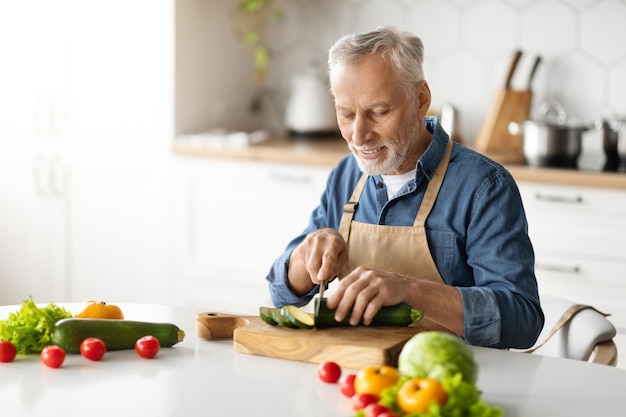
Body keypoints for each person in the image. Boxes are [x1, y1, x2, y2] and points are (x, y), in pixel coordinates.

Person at [265, 26, 543, 349]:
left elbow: (522, 321)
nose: (358, 136)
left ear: (421, 99)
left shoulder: (484, 187)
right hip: (357, 379)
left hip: (451, 384)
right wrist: (306, 256)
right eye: (346, 114)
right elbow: (281, 292)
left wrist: (408, 290)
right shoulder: (345, 176)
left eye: (378, 112)